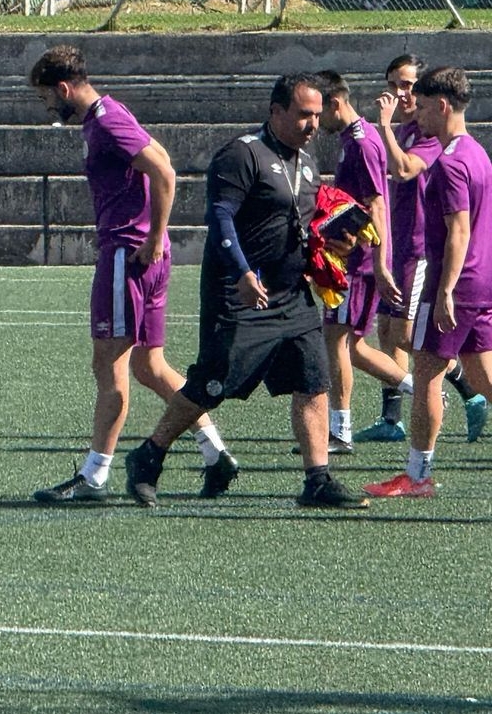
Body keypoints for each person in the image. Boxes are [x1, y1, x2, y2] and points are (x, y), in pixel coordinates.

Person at [123, 73, 369, 509]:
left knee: (313, 381)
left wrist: (335, 242)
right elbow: (220, 218)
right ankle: (149, 455)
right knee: (213, 384)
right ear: (276, 112)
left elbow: (304, 223)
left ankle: (317, 479)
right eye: (303, 115)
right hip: (238, 292)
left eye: (317, 116)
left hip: (290, 295)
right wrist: (240, 270)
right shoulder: (241, 154)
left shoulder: (305, 163)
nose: (312, 125)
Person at [28, 45, 239, 504]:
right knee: (150, 366)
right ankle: (214, 452)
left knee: (110, 366)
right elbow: (158, 152)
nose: (47, 107)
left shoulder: (105, 121)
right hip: (141, 255)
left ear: (63, 89)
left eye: (47, 97)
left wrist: (154, 236)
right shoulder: (110, 113)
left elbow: (163, 169)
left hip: (128, 254)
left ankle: (94, 476)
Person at [365, 67, 492, 498]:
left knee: (426, 375)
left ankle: (417, 476)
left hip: (457, 284)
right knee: (481, 374)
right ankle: (417, 473)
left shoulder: (453, 161)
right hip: (482, 281)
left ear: (441, 106)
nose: (415, 115)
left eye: (421, 107)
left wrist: (444, 292)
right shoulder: (477, 152)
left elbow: (458, 231)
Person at [315, 70, 414, 453]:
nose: (314, 120)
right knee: (352, 347)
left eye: (317, 111)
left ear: (335, 103)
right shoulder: (349, 140)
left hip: (356, 264)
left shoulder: (361, 143)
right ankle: (419, 390)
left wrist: (380, 260)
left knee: (335, 341)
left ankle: (340, 430)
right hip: (352, 259)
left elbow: (376, 202)